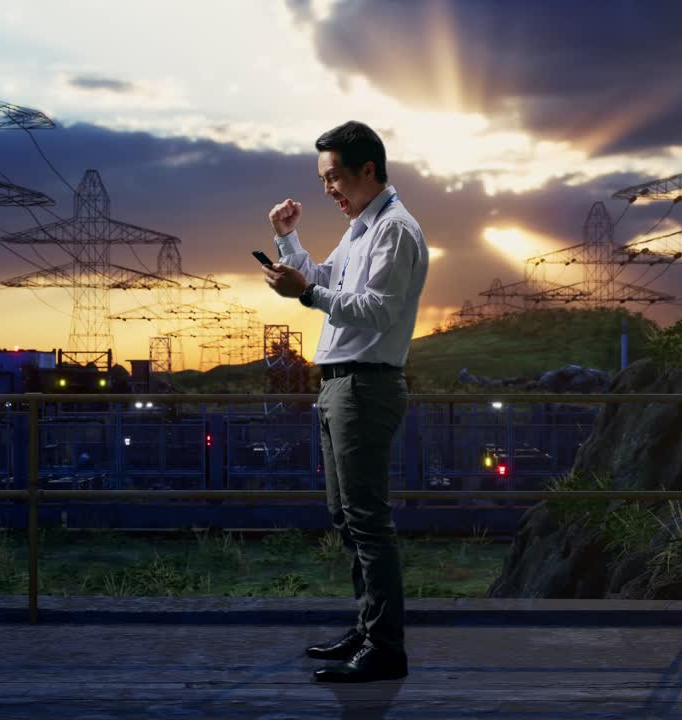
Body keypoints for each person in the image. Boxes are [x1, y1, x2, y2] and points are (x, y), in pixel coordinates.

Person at [262, 120, 428, 683]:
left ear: (368, 169)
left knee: (367, 521)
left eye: (334, 177)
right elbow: (328, 280)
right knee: (347, 518)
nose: (328, 188)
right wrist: (289, 246)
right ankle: (368, 629)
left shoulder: (395, 231)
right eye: (322, 179)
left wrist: (305, 293)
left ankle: (385, 648)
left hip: (365, 383)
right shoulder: (362, 228)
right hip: (340, 383)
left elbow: (374, 309)